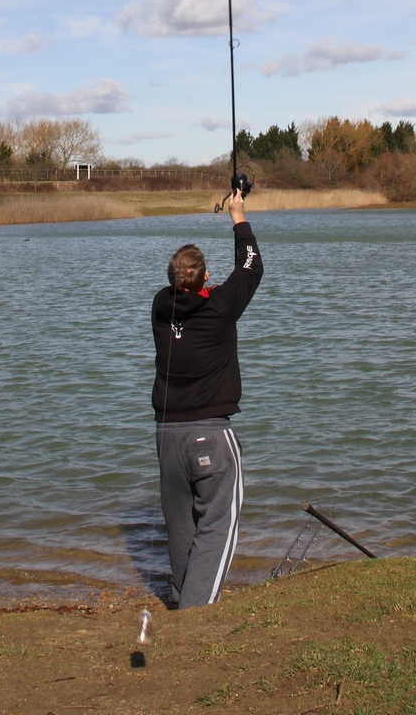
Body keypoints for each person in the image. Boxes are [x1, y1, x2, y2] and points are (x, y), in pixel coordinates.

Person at [151, 190, 263, 609]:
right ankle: (195, 616)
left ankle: (183, 598)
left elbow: (183, 296)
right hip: (210, 437)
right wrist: (239, 217)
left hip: (167, 439)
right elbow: (251, 268)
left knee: (180, 527)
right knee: (218, 524)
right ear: (204, 280)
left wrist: (199, 287)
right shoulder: (219, 307)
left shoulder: (161, 307)